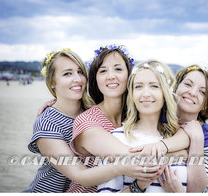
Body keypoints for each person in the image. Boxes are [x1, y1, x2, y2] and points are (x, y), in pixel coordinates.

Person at [24, 49, 153, 193]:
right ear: (52, 82)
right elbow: (80, 175)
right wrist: (122, 167)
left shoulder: (90, 107)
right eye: (67, 73)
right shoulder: (48, 123)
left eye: (80, 72)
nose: (77, 79)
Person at [67, 46, 189, 192]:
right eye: (103, 70)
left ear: (129, 75)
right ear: (95, 78)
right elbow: (134, 158)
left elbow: (184, 131)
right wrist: (181, 153)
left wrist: (165, 146)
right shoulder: (88, 122)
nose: (111, 76)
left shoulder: (138, 111)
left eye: (118, 69)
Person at [97, 60, 188, 193]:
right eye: (138, 86)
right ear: (132, 94)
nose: (145, 94)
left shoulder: (179, 140)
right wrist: (138, 186)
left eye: (154, 86)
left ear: (165, 93)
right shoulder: (116, 138)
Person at [174, 65, 208, 192]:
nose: (192, 92)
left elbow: (199, 190)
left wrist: (197, 139)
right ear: (176, 87)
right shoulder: (155, 117)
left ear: (207, 104)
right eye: (188, 84)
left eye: (202, 92)